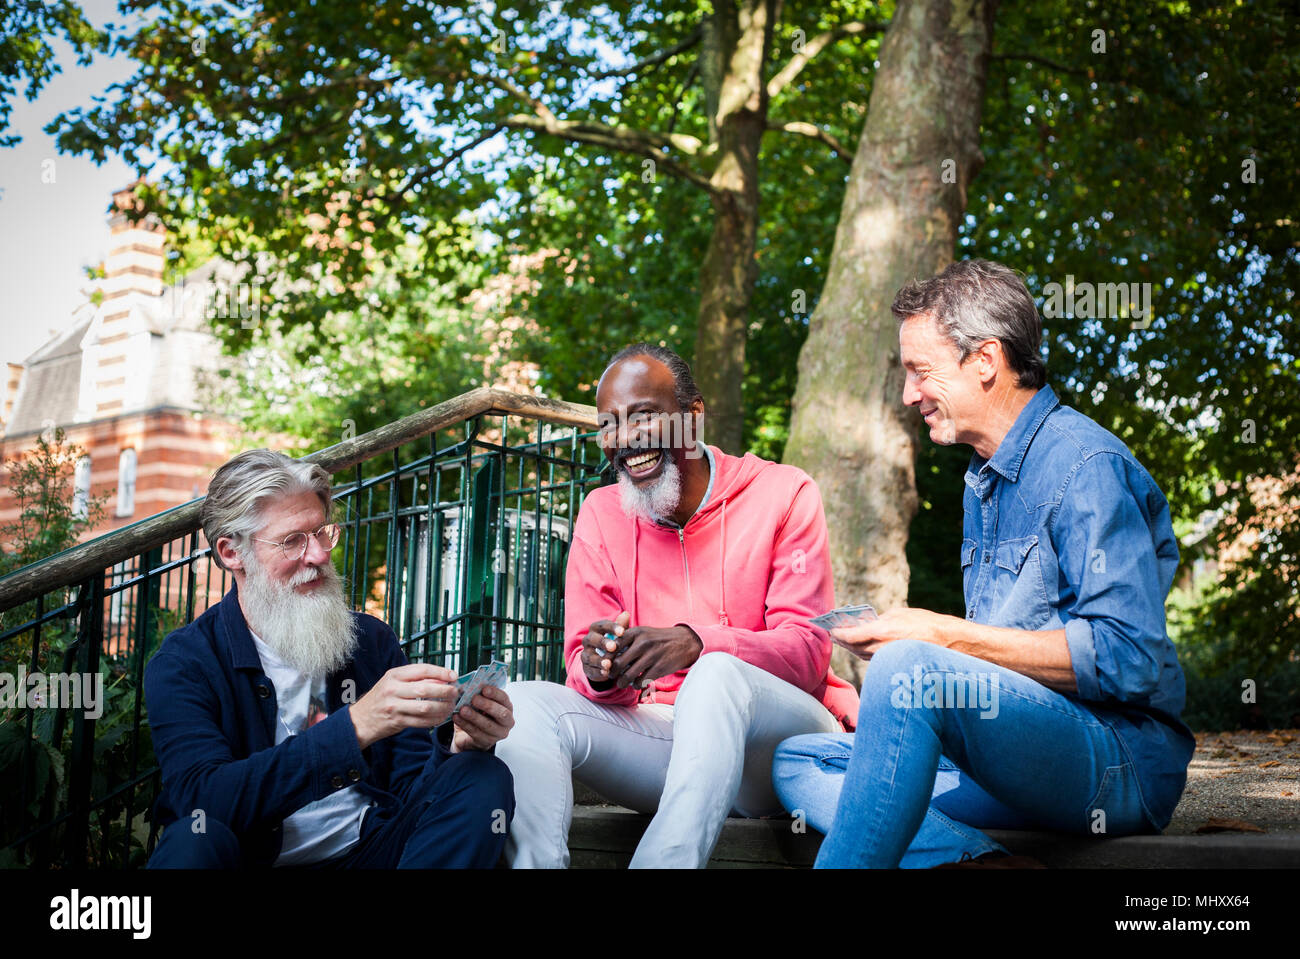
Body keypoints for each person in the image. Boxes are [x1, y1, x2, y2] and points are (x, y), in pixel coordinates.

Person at [773, 259, 1195, 868]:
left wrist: (938, 635)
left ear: (986, 362)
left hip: (1116, 763)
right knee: (799, 760)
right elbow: (996, 663)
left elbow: (1128, 659)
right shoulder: (985, 480)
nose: (908, 393)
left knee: (910, 667)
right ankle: (978, 862)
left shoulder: (1086, 467)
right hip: (1016, 756)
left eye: (921, 371)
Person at [496, 343, 859, 868]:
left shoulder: (784, 492)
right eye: (608, 425)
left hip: (780, 751)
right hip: (672, 747)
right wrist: (601, 668)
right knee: (526, 704)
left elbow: (808, 652)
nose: (623, 440)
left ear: (692, 417)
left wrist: (696, 643)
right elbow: (582, 666)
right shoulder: (601, 513)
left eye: (642, 416)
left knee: (714, 674)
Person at [145, 449, 516, 868]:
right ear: (232, 553)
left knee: (481, 778)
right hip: (247, 860)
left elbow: (414, 786)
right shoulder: (185, 662)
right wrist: (355, 727)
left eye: (322, 533)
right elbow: (203, 801)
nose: (319, 555)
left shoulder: (368, 640)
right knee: (193, 842)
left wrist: (458, 747)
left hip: (369, 854)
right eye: (292, 540)